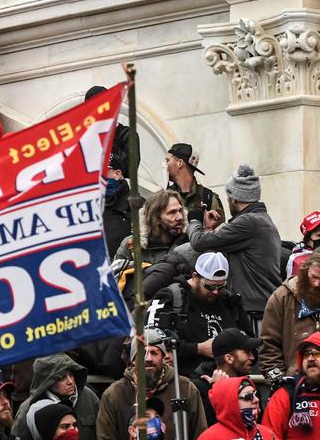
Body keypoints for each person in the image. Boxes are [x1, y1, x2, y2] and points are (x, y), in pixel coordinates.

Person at [185, 164, 282, 320]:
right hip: (260, 307)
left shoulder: (248, 222)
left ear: (234, 198)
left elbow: (199, 242)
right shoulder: (260, 219)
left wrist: (194, 220)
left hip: (254, 312)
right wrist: (211, 229)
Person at [260, 246, 320, 379]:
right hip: (295, 383)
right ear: (306, 268)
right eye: (314, 277)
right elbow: (269, 346)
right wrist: (280, 382)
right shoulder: (283, 297)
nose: (317, 284)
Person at [152, 251, 251, 379]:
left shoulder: (230, 301)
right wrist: (198, 348)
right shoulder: (171, 297)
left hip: (227, 380)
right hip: (186, 380)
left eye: (221, 286)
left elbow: (249, 340)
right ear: (195, 276)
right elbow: (154, 340)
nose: (215, 292)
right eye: (209, 286)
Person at [96, 331, 207, 440]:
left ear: (163, 357)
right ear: (133, 360)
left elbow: (200, 434)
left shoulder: (184, 388)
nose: (148, 358)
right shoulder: (114, 394)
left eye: (154, 353)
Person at [264, 333, 320, 440]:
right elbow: (268, 435)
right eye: (306, 354)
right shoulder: (286, 394)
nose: (311, 358)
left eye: (317, 353)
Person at [12, 354, 99, 440]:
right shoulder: (28, 409)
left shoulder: (88, 396)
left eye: (71, 375)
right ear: (47, 382)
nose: (70, 381)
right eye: (62, 377)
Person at [195, 377, 272, 440]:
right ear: (230, 401)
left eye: (255, 395)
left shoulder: (268, 434)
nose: (256, 400)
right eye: (249, 396)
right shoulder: (210, 437)